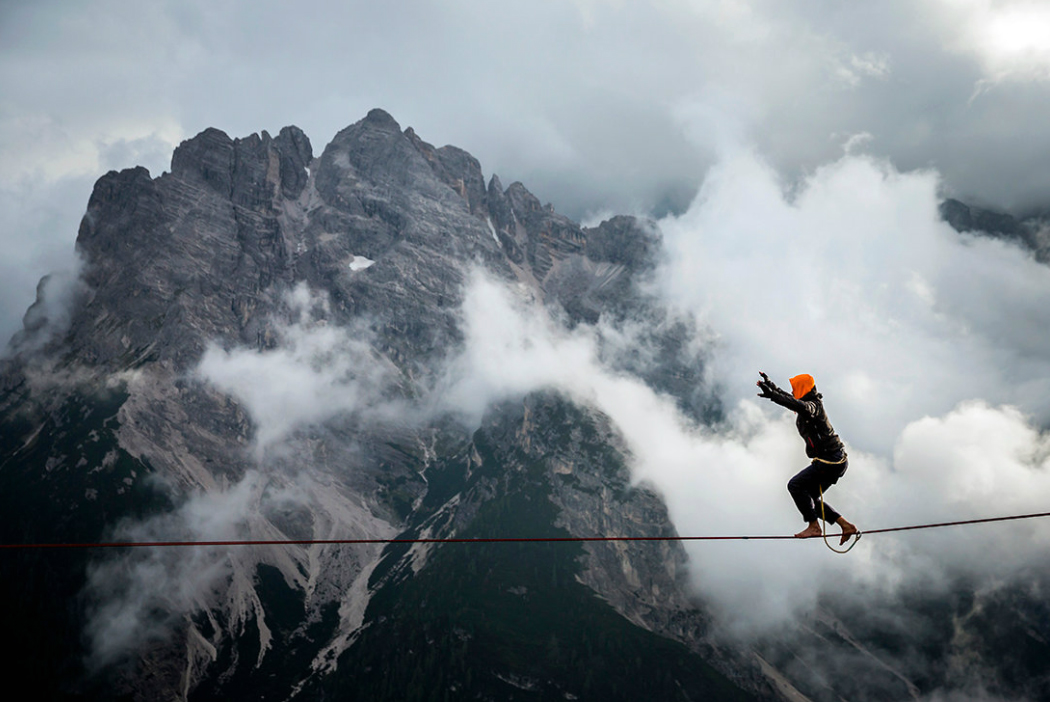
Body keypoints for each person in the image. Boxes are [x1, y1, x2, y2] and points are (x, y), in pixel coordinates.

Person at [756, 372, 859, 544]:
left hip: (831, 461)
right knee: (808, 498)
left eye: (795, 388)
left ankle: (814, 526)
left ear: (802, 389)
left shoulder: (813, 406)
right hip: (833, 460)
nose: (794, 392)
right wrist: (773, 388)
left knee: (795, 485)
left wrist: (773, 395)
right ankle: (846, 525)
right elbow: (793, 402)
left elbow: (800, 406)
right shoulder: (809, 403)